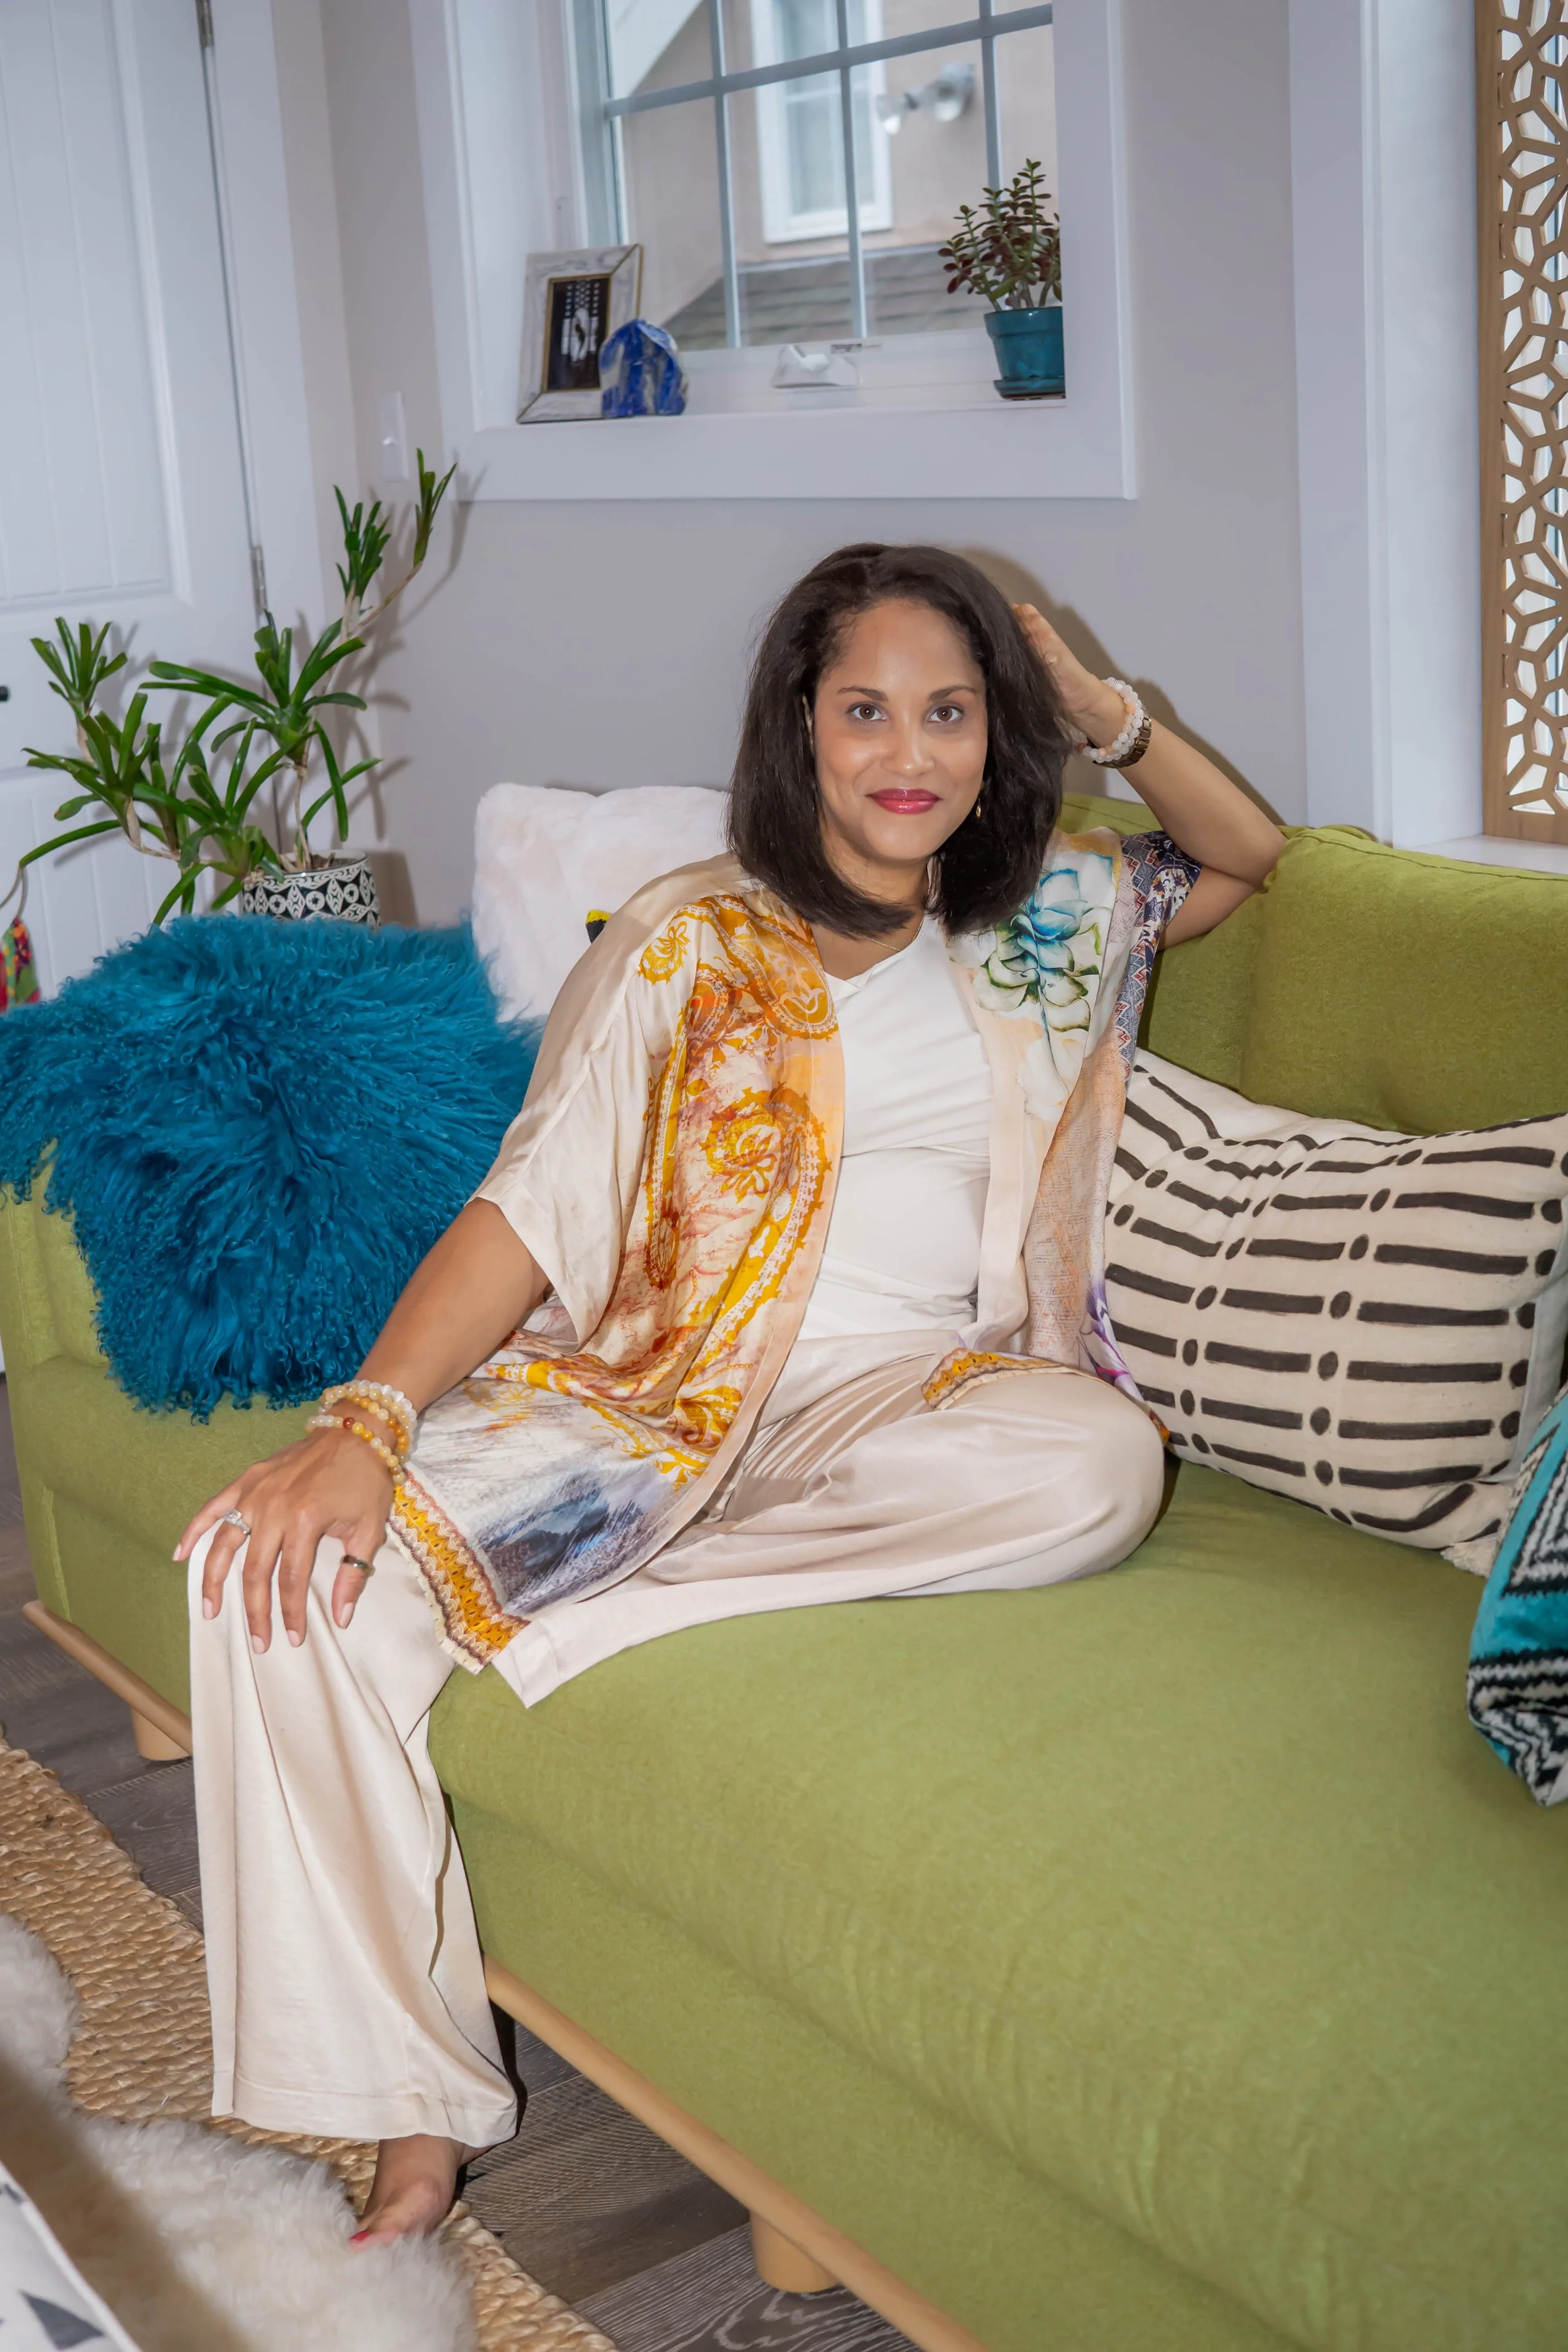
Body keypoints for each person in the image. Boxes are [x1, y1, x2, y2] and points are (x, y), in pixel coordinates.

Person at [175, 543, 1285, 2243]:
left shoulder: (1041, 923)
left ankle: (541, 1615)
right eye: (864, 710)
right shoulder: (690, 939)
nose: (906, 751)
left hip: (910, 1402)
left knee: (1098, 1465)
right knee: (261, 1582)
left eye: (949, 711)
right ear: (798, 727)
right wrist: (363, 1425)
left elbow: (1245, 859)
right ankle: (414, 2107)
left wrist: (1106, 712)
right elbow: (524, 1208)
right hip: (644, 1402)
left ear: (997, 740)